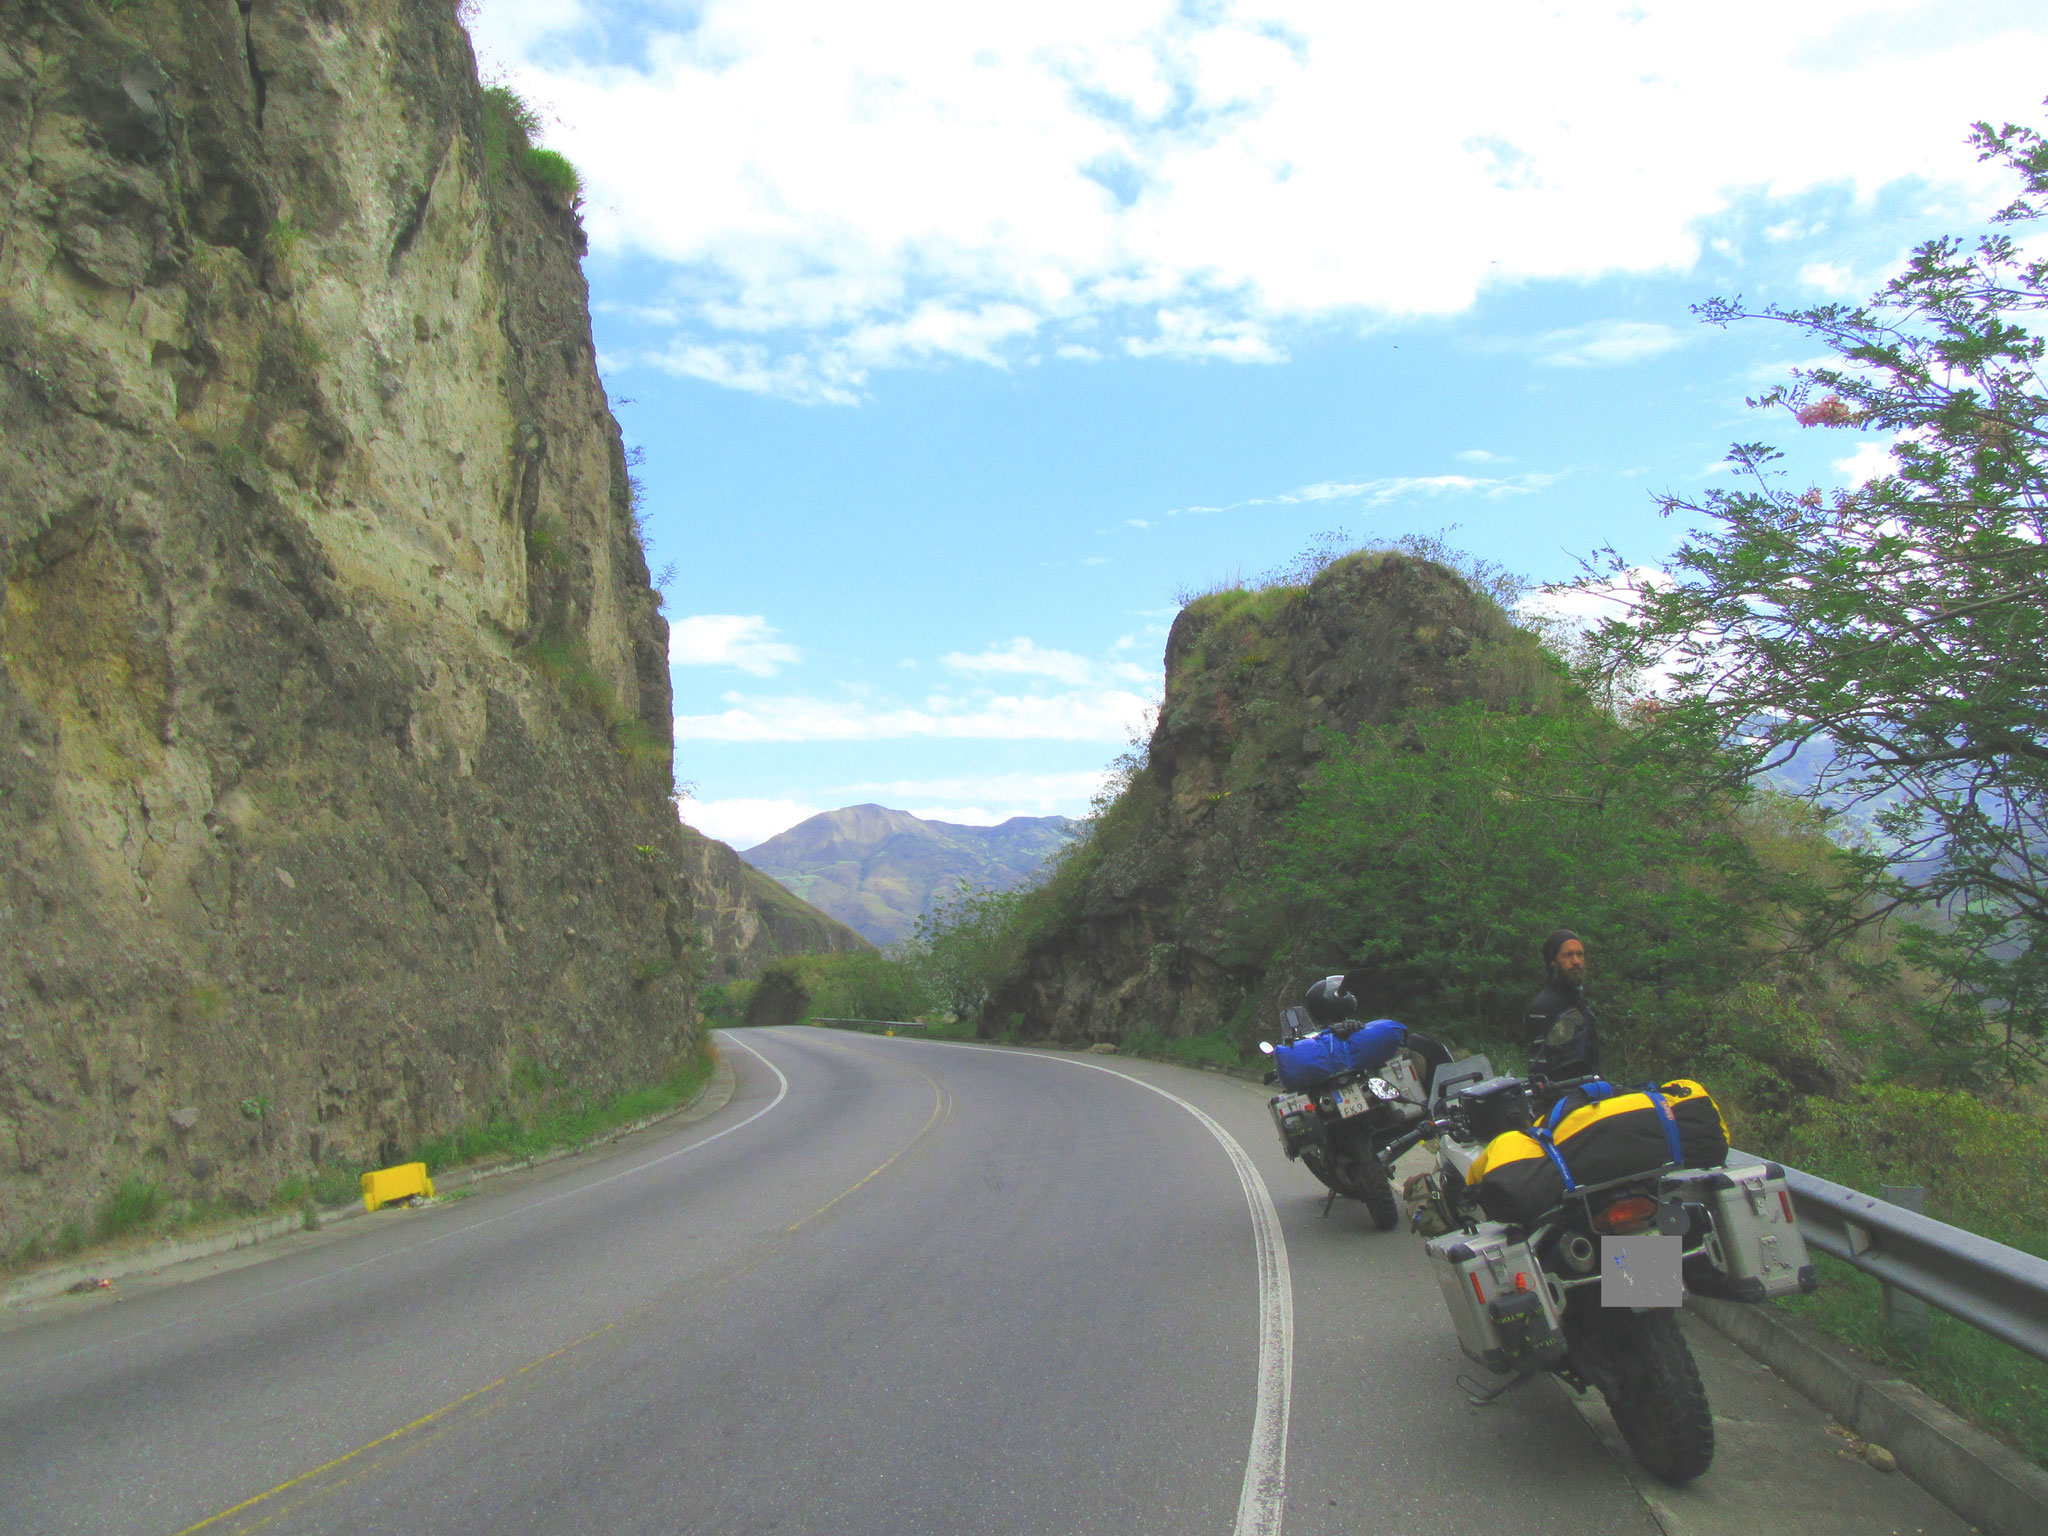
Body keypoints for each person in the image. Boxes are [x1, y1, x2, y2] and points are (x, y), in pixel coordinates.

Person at [1526, 928, 1599, 1080]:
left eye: (1580, 954)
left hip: (1590, 1092)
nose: (1576, 961)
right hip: (1563, 1099)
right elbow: (1538, 1066)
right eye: (1568, 955)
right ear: (1553, 961)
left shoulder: (1580, 1002)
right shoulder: (1544, 1005)